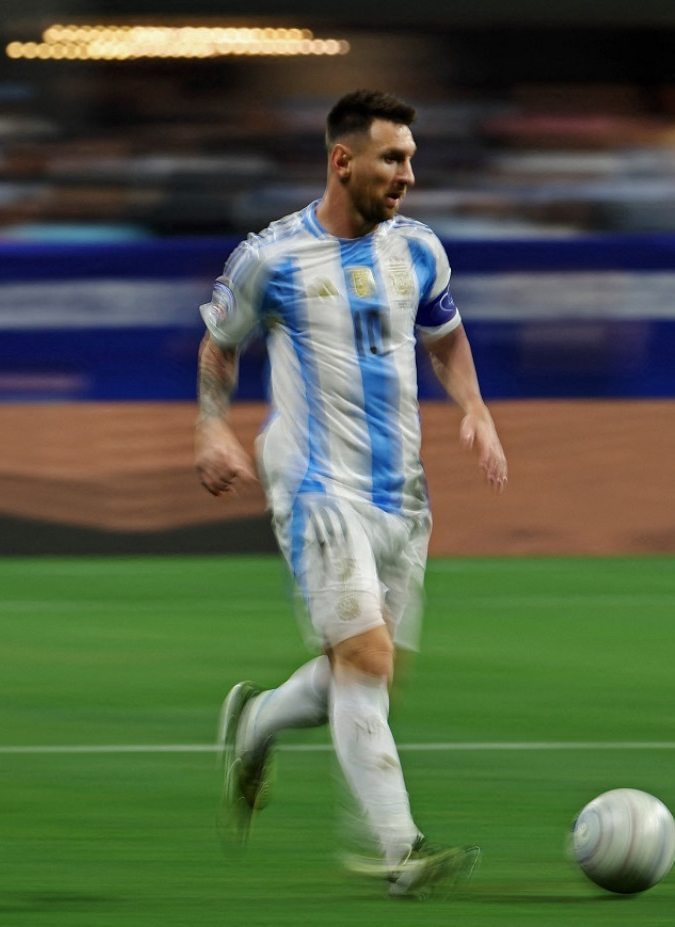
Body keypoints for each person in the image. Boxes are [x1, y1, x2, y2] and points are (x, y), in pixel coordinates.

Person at [195, 89, 507, 900]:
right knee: (363, 662)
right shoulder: (271, 257)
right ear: (344, 161)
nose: (409, 173)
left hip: (400, 492)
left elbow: (446, 336)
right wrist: (211, 428)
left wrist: (474, 407)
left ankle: (258, 719)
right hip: (314, 485)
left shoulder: (420, 251)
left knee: (365, 677)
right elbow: (220, 344)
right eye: (393, 159)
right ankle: (399, 851)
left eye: (410, 157)